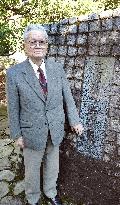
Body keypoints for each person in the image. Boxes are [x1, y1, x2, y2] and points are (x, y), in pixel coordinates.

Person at [6, 24, 84, 205]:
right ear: (25, 45)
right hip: (31, 131)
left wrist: (75, 120)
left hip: (55, 128)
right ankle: (32, 198)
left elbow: (68, 97)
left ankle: (50, 192)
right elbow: (13, 107)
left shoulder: (57, 68)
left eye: (42, 42)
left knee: (53, 165)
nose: (38, 45)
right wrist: (16, 134)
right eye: (33, 41)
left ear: (47, 45)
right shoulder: (14, 73)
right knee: (32, 170)